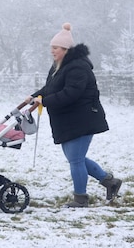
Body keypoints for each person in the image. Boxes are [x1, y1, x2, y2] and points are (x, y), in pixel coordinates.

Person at [26, 23, 122, 208]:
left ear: (66, 49)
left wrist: (45, 102)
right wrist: (35, 95)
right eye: (51, 48)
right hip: (69, 120)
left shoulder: (78, 67)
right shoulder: (58, 66)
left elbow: (71, 93)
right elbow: (50, 88)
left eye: (55, 48)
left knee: (76, 160)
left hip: (83, 119)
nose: (52, 51)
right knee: (76, 159)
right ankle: (110, 182)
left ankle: (80, 199)